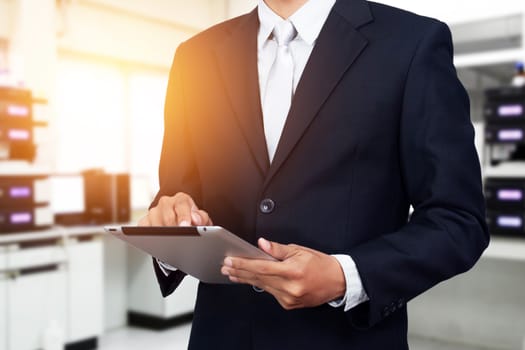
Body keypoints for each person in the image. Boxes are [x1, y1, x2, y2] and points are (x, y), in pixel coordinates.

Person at [138, 0, 489, 349]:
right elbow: (176, 193)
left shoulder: (412, 43)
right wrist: (171, 225)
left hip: (345, 339)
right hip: (221, 337)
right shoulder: (195, 56)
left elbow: (458, 219)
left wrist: (347, 276)